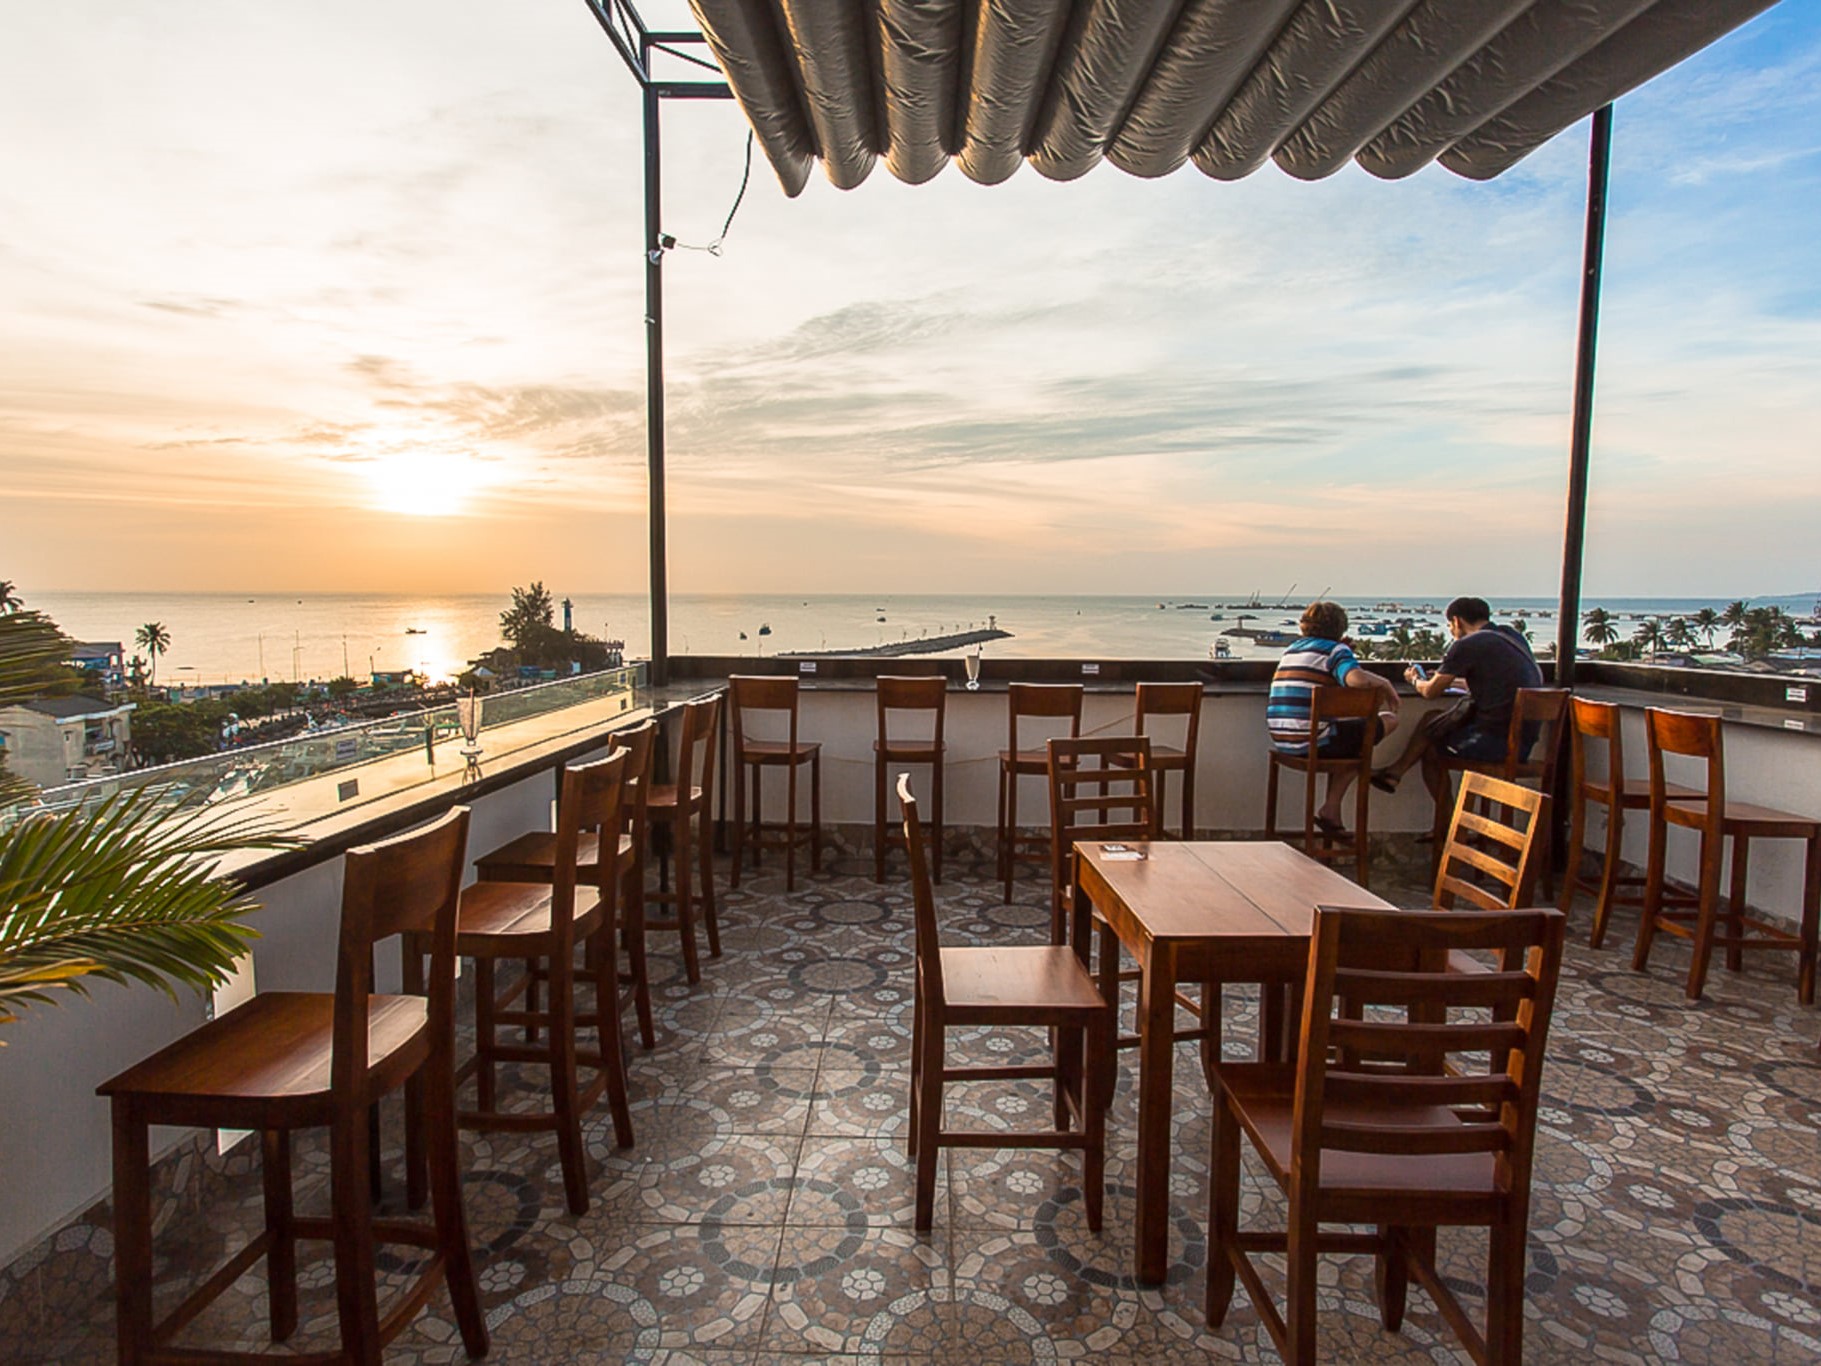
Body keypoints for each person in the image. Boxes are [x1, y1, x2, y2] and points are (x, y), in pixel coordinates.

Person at [1370, 596, 1543, 808]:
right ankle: (1394, 773)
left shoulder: (1468, 644)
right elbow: (1499, 682)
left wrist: (1414, 679)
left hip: (1494, 744)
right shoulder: (1512, 636)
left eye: (1450, 626)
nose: (1451, 631)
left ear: (1457, 621)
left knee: (1432, 749)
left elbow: (1430, 692)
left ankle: (1448, 820)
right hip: (1523, 744)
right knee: (1432, 718)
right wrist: (1454, 680)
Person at [1265, 601, 1401, 835]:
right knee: (1383, 725)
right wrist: (1385, 682)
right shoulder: (1335, 651)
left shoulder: (1292, 650)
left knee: (1353, 739)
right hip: (1314, 742)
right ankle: (1331, 807)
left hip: (1284, 741)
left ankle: (1332, 811)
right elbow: (1358, 681)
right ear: (1340, 628)